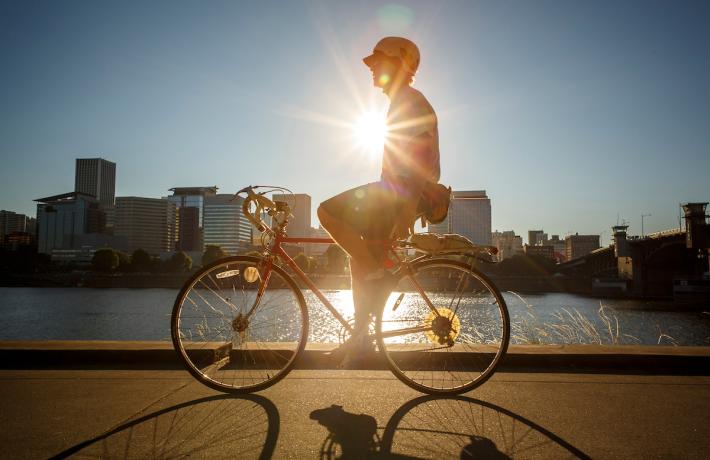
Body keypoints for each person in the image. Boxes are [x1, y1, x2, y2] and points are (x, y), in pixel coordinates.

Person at [317, 36, 440, 363]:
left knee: (326, 213)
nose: (371, 68)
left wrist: (407, 209)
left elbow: (422, 160)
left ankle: (375, 275)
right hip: (395, 192)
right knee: (358, 259)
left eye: (377, 62)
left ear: (400, 64)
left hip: (398, 193)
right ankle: (361, 339)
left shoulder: (410, 100)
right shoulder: (400, 101)